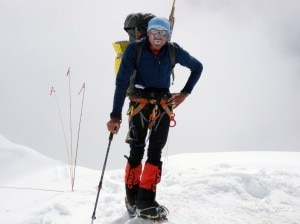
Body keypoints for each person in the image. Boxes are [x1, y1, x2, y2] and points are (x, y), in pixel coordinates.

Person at [107, 17, 203, 220]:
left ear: (169, 36)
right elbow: (122, 81)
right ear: (148, 33)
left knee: (155, 152)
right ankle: (132, 199)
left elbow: (198, 67)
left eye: (163, 33)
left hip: (162, 106)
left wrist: (185, 93)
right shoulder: (135, 49)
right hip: (140, 105)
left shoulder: (173, 50)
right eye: (154, 32)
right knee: (137, 150)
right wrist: (115, 115)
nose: (158, 37)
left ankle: (145, 201)